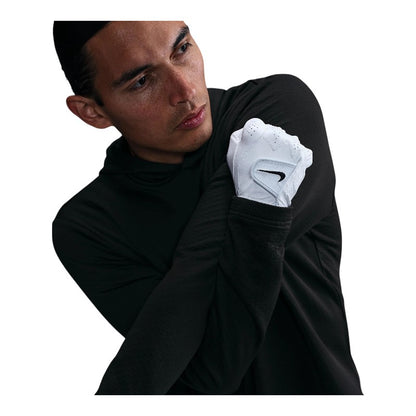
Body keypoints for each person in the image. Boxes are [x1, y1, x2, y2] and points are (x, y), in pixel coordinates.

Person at [52, 21, 362, 394]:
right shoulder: (88, 225)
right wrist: (256, 207)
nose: (185, 91)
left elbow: (173, 356)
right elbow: (205, 375)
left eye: (181, 49)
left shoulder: (276, 109)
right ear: (92, 112)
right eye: (142, 81)